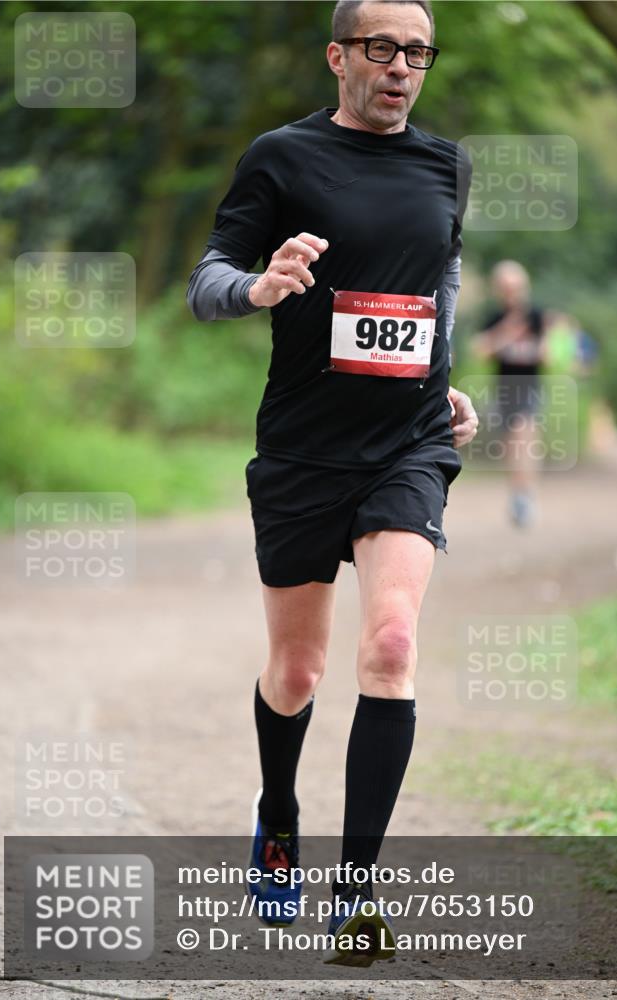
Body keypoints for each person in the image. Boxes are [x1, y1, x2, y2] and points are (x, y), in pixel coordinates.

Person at [186, 0, 477, 967]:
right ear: (338, 56)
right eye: (382, 48)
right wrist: (260, 288)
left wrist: (448, 378)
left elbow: (438, 287)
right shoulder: (282, 157)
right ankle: (277, 813)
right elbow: (207, 277)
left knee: (390, 644)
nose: (401, 67)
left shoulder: (446, 166)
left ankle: (359, 897)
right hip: (304, 452)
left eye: (418, 52)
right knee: (298, 671)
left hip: (407, 446)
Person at [471, 260, 547, 528]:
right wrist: (508, 330)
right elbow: (480, 350)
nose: (511, 293)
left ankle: (524, 495)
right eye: (505, 287)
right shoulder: (495, 318)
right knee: (511, 444)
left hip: (530, 387)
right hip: (503, 388)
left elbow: (552, 353)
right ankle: (518, 492)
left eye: (515, 287)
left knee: (523, 436)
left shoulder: (538, 316)